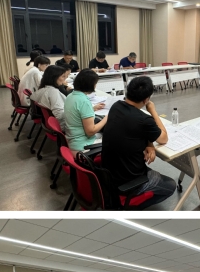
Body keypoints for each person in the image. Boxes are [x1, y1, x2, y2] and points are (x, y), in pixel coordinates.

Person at [101, 76, 175, 209]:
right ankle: (127, 207)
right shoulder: (144, 119)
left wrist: (149, 144)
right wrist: (152, 110)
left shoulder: (116, 106)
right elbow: (163, 138)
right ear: (146, 100)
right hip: (127, 181)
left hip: (108, 172)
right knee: (170, 185)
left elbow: (131, 130)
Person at [63, 69, 107, 154]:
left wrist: (92, 108)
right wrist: (106, 119)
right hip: (83, 147)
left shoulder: (70, 96)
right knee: (116, 140)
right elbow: (90, 132)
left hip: (73, 141)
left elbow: (77, 112)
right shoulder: (84, 101)